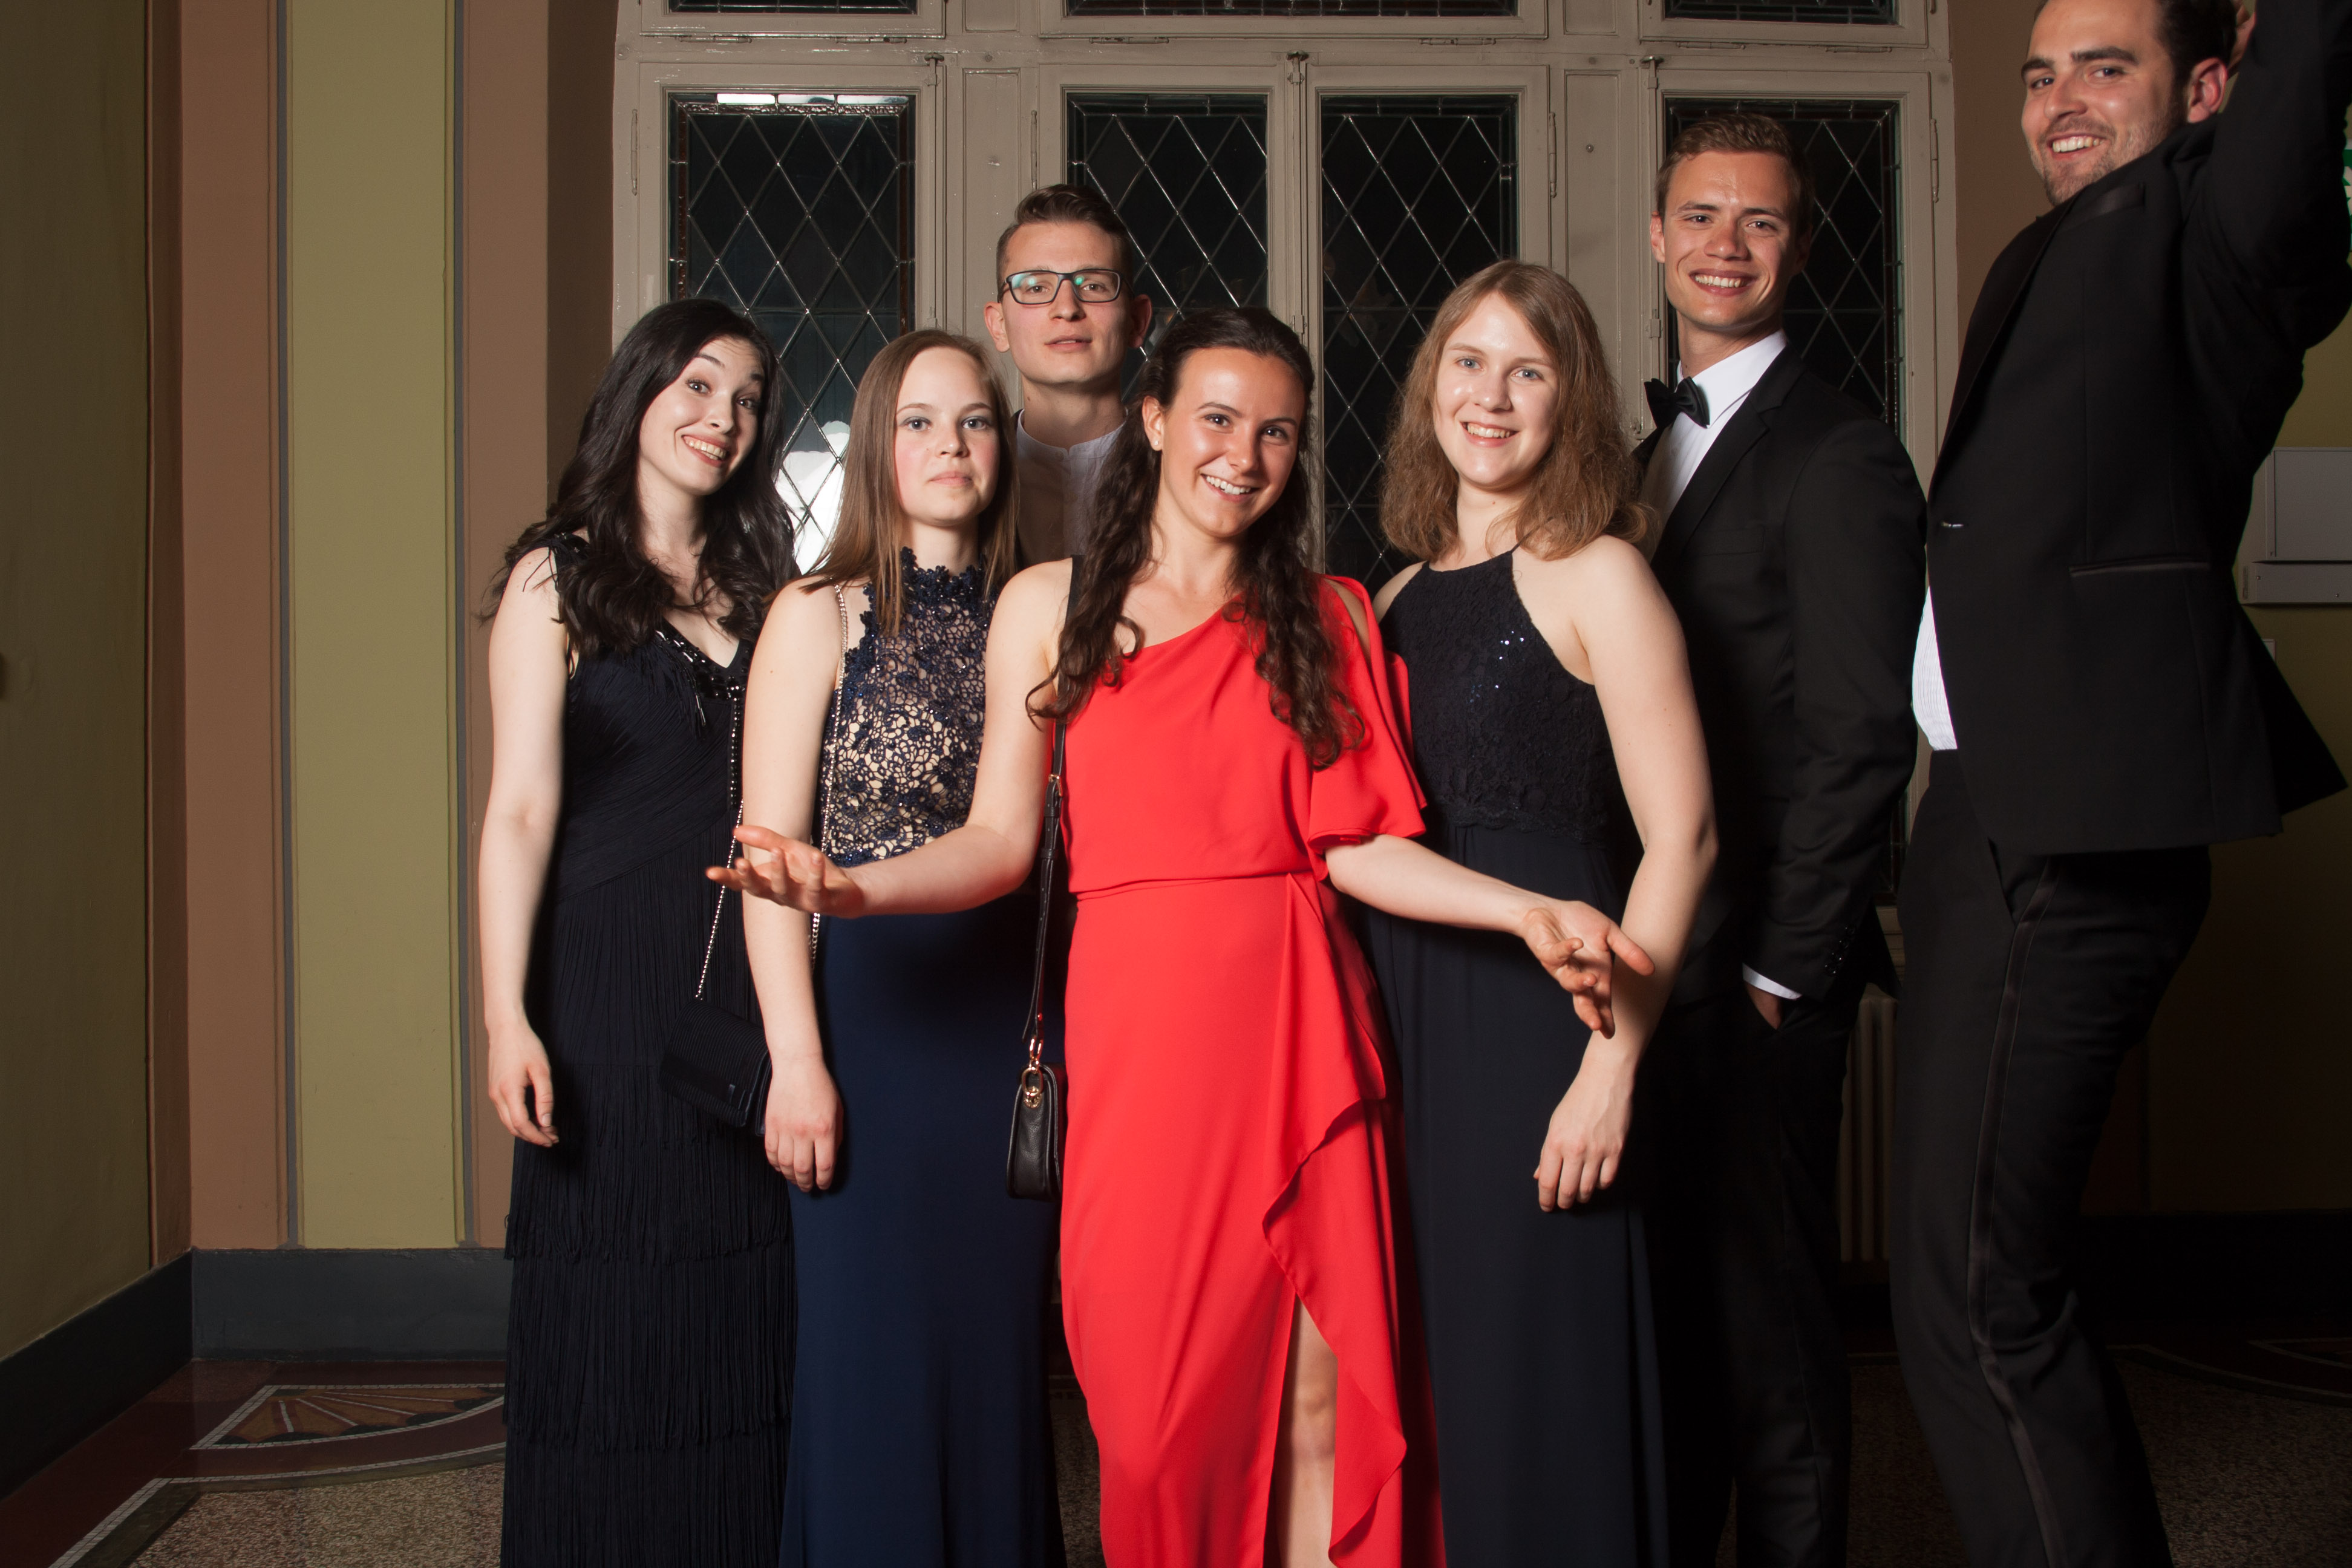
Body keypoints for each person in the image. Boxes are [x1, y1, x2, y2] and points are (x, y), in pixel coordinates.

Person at [716, 307, 1652, 1568]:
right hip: (1138, 1051)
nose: (1243, 455)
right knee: (1153, 1429)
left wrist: (1523, 909)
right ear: (1153, 420)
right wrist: (853, 892)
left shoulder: (1330, 613)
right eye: (1217, 418)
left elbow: (1356, 844)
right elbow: (1000, 841)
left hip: (1299, 1038)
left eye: (1277, 432)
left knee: (1321, 1410)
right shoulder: (1049, 606)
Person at [1898, 2, 2348, 1564]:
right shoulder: (2047, 253)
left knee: (1980, 1295)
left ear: (2209, 88)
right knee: (1956, 1288)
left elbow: (2299, 94)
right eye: (2040, 74)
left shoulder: (2221, 235)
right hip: (1984, 816)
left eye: (2108, 66)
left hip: (2078, 828)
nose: (2060, 101)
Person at [1361, 260, 1716, 1567]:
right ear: (1430, 386)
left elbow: (1685, 838)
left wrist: (1610, 1074)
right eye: (1468, 362)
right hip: (1409, 1013)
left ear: (1571, 403)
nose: (1491, 396)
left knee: (1540, 1366)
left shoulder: (1600, 574)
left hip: (1544, 1027)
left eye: (1529, 370)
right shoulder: (1392, 596)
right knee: (1440, 1367)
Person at [1627, 114, 1928, 1568]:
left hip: (1759, 973)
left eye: (1759, 221)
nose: (1725, 246)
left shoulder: (1843, 453)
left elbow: (1864, 734)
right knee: (1679, 1314)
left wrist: (1781, 975)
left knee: (1775, 1333)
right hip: (1662, 962)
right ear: (1657, 237)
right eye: (1701, 215)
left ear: (1799, 247)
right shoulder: (1643, 455)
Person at [734, 329, 1062, 1565]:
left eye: (974, 420)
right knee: (870, 1359)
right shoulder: (815, 616)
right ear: (877, 444)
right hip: (872, 1027)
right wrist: (796, 1060)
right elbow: (769, 867)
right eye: (919, 422)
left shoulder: (1049, 611)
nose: (949, 445)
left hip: (1015, 1023)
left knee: (997, 1359)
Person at [478, 298, 797, 1567]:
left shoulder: (769, 587)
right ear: (640, 392)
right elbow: (517, 810)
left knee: (743, 1301)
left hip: (749, 980)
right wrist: (505, 1014)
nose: (725, 416)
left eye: (750, 398)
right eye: (700, 384)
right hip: (605, 991)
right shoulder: (554, 576)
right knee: (616, 1303)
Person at [982, 184, 1153, 560]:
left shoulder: (1185, 471)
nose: (1066, 308)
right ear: (999, 326)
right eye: (1035, 287)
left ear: (1136, 321)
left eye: (1093, 285)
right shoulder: (967, 470)